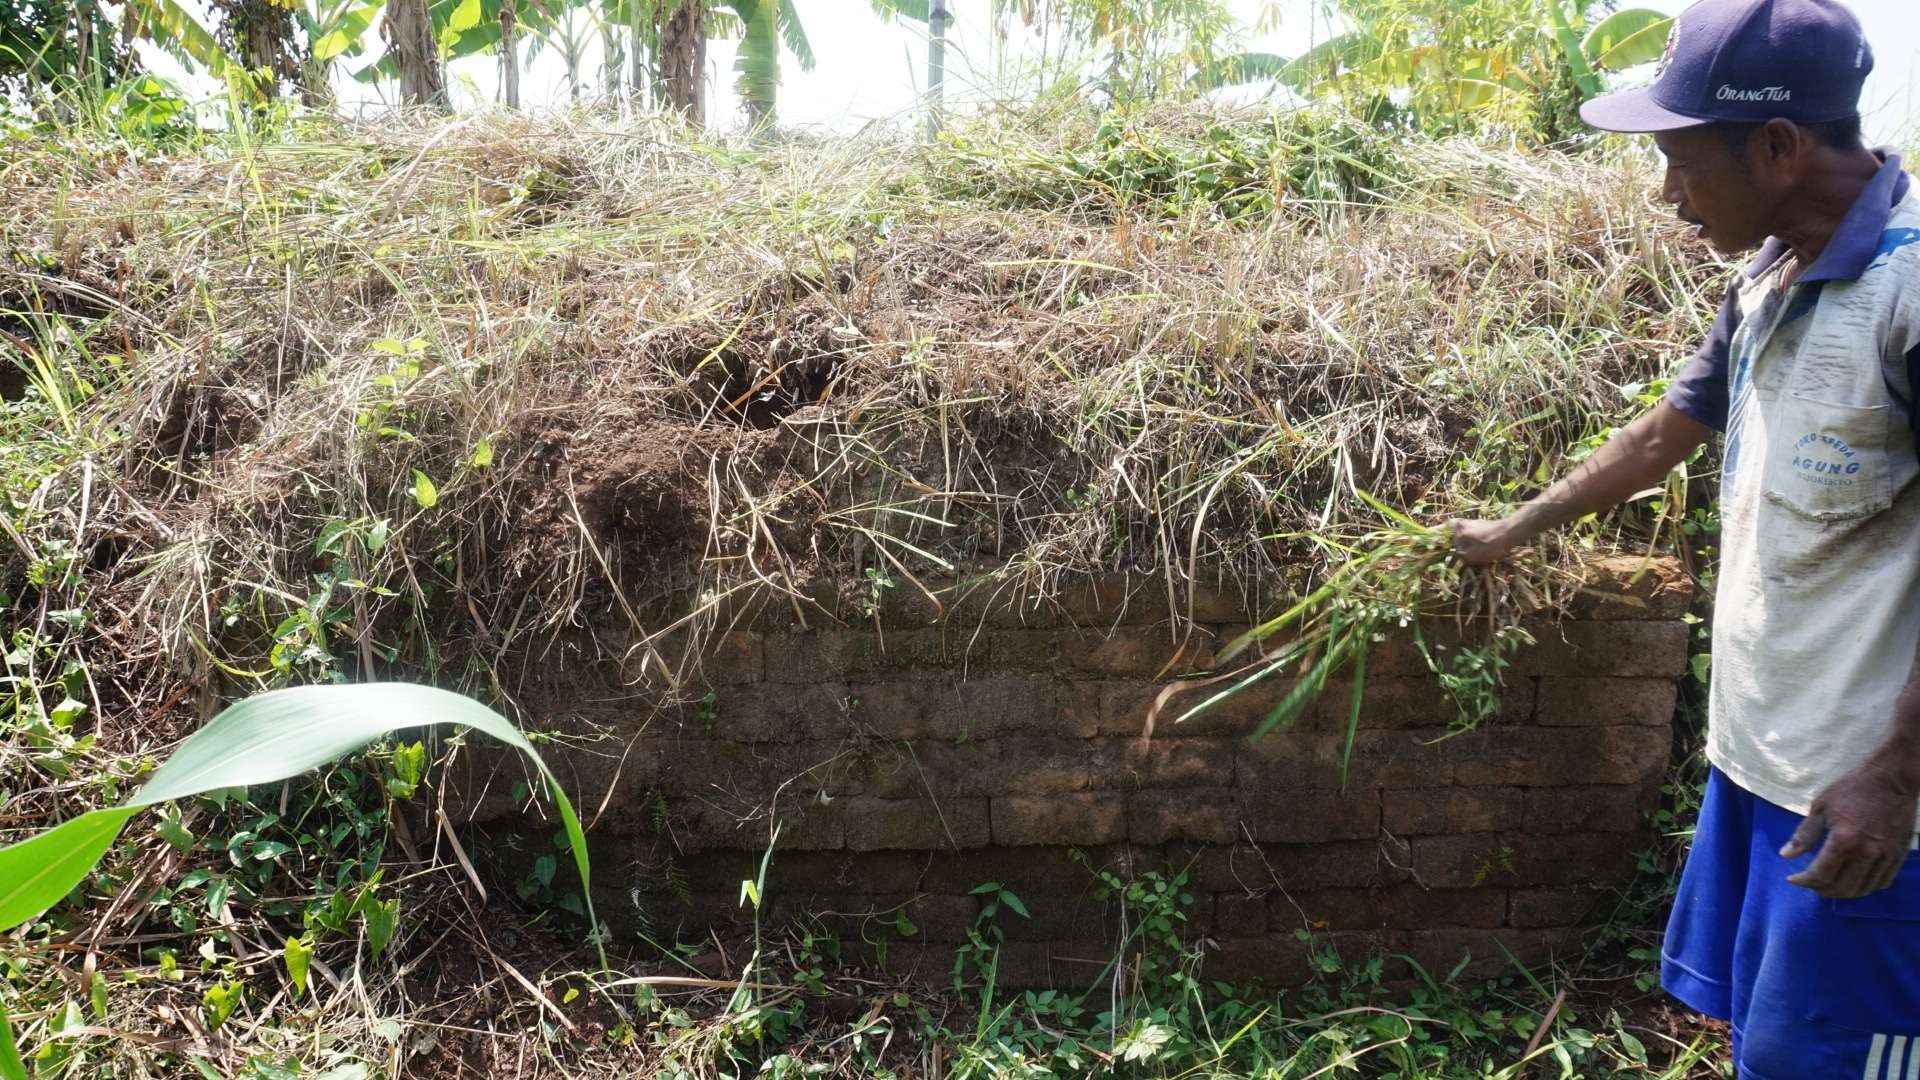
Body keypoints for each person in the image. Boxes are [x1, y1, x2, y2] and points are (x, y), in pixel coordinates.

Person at [1450, 0, 1920, 1074]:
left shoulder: (1910, 293)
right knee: (1768, 1047)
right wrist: (1518, 527)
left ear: (1779, 146)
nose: (1667, 197)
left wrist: (1895, 776)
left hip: (1867, 804)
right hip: (1763, 766)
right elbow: (1667, 431)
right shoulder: (1768, 278)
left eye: (1680, 163)